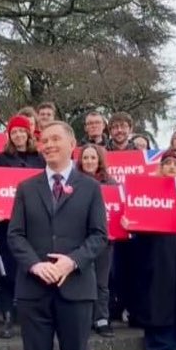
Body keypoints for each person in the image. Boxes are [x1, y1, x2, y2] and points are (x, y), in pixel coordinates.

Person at [8, 121, 107, 350]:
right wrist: (36, 264)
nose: (48, 145)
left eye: (55, 139)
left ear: (71, 144)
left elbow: (98, 236)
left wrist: (71, 262)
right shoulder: (26, 187)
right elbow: (15, 235)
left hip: (76, 288)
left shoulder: (90, 188)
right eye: (44, 140)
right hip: (34, 289)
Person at [124, 149, 176, 350]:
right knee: (156, 299)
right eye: (168, 163)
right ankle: (157, 346)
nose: (172, 167)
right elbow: (136, 218)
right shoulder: (148, 190)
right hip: (154, 252)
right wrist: (130, 223)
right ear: (161, 166)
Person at [0, 115, 46, 339]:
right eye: (14, 132)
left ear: (29, 133)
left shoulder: (39, 159)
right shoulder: (1, 159)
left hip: (34, 226)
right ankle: (8, 317)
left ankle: (31, 317)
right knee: (7, 272)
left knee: (32, 268)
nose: (19, 135)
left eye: (22, 131)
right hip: (6, 226)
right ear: (10, 135)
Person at [76, 144, 116, 338]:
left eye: (93, 158)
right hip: (78, 241)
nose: (89, 161)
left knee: (101, 283)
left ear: (99, 160)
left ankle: (101, 319)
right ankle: (82, 320)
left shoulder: (111, 183)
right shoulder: (72, 182)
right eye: (86, 158)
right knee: (80, 281)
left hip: (104, 242)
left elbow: (117, 209)